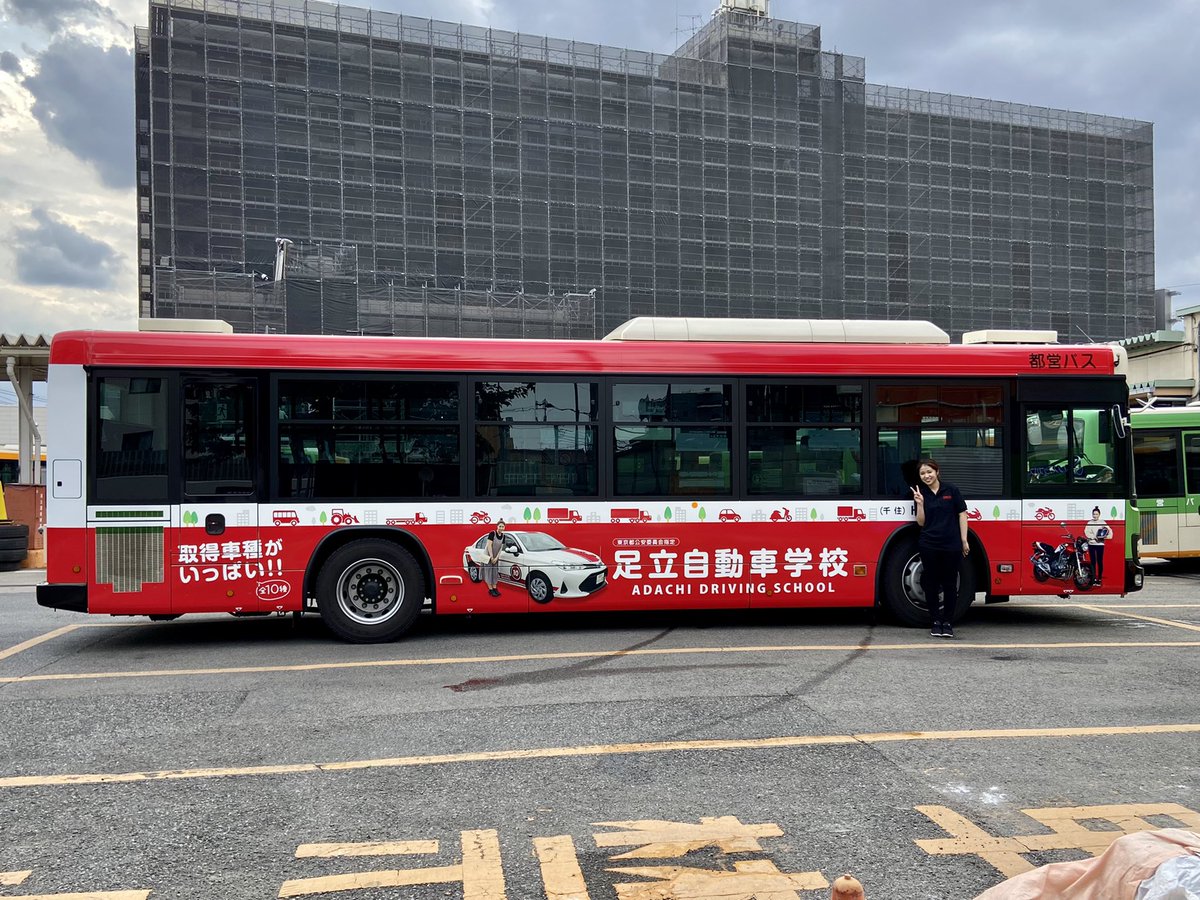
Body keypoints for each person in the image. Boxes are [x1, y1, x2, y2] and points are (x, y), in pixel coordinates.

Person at [911, 458, 969, 638]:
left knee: (950, 584)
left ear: (937, 472)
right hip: (929, 544)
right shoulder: (921, 494)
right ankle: (936, 621)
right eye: (922, 474)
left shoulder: (951, 490)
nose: (926, 476)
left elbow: (962, 514)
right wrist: (919, 504)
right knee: (931, 583)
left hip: (951, 544)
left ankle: (948, 622)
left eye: (929, 472)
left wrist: (964, 540)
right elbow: (921, 522)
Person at [1083, 506, 1109, 587]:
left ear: (1099, 514)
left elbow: (1108, 531)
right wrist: (1093, 537)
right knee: (1093, 562)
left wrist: (1104, 536)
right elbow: (1086, 532)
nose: (1095, 516)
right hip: (1091, 544)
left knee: (1100, 562)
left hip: (1100, 545)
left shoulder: (1103, 522)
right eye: (1094, 514)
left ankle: (1099, 578)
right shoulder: (1089, 523)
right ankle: (1093, 578)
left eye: (1096, 514)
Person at [483, 519, 506, 597]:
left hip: (496, 557)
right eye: (500, 526)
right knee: (489, 573)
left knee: (494, 573)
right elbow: (489, 545)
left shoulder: (504, 536)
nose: (501, 528)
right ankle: (491, 589)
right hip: (489, 556)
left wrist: (496, 558)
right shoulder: (492, 533)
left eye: (503, 526)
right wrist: (492, 557)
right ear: (497, 526)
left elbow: (501, 548)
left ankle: (495, 588)